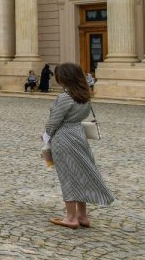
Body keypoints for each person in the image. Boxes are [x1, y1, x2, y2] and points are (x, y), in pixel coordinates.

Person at [46, 62, 115, 229]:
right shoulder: (84, 95)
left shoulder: (65, 97)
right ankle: (82, 215)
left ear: (64, 78)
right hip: (79, 135)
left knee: (68, 175)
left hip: (64, 137)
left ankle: (70, 217)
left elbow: (53, 123)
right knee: (80, 173)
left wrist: (46, 135)